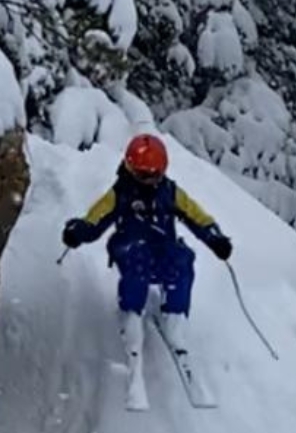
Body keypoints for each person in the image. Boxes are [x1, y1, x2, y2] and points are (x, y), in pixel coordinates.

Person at [61, 135, 233, 369]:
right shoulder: (120, 193)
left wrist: (216, 239)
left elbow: (197, 216)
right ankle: (131, 312)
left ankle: (175, 317)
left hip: (162, 248)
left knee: (183, 259)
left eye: (156, 175)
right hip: (129, 247)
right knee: (138, 259)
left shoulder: (169, 192)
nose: (151, 181)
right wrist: (78, 231)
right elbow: (96, 218)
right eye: (144, 175)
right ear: (131, 169)